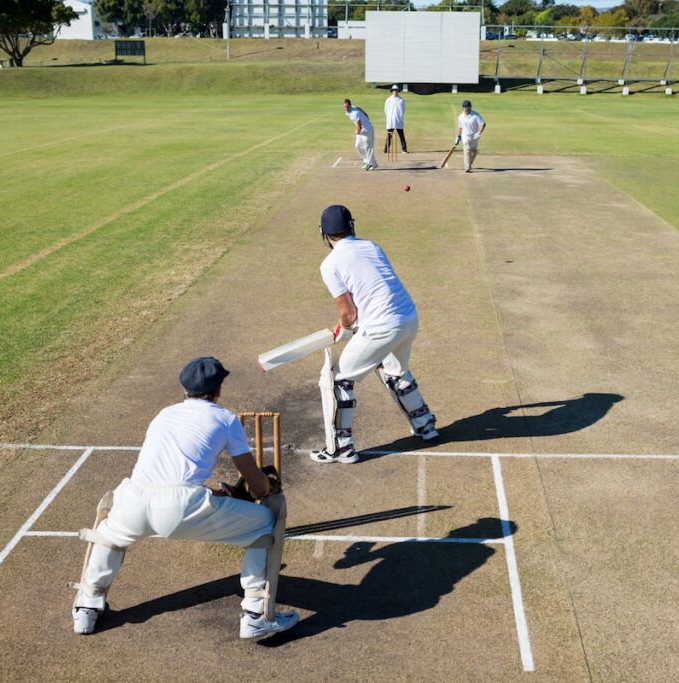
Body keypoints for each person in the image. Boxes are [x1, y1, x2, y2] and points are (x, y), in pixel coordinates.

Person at [69, 356, 299, 639]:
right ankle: (254, 614)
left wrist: (217, 494)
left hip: (133, 498)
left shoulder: (164, 414)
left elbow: (167, 477)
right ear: (219, 389)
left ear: (184, 389)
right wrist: (265, 488)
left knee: (108, 537)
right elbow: (256, 483)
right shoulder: (226, 419)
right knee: (265, 524)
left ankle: (86, 608)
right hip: (180, 508)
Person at [311, 205, 438, 464]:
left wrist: (344, 328)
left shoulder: (330, 264)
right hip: (408, 317)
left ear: (324, 234)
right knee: (393, 369)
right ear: (351, 226)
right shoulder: (372, 246)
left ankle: (340, 448)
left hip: (382, 325)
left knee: (337, 379)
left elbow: (348, 311)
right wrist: (353, 324)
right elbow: (375, 288)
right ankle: (425, 425)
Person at [342, 98, 378, 171]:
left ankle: (373, 164)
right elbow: (358, 108)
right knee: (357, 146)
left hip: (367, 130)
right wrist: (365, 114)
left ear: (350, 105)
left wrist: (357, 132)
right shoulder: (350, 109)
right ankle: (366, 160)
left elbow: (359, 125)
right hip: (362, 129)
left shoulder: (354, 114)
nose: (346, 108)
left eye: (347, 106)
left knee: (368, 147)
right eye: (345, 106)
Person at [455, 99, 486, 173]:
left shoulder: (475, 115)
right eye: (464, 107)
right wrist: (458, 136)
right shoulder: (460, 117)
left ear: (470, 107)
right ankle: (467, 167)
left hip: (475, 135)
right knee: (467, 149)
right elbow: (460, 127)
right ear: (463, 108)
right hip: (465, 135)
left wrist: (479, 133)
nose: (466, 108)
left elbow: (483, 124)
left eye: (467, 107)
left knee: (474, 151)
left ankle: (470, 162)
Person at [383, 85, 408, 154]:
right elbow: (386, 110)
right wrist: (389, 116)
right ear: (392, 91)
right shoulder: (388, 100)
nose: (395, 92)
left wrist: (398, 116)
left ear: (398, 91)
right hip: (390, 120)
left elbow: (403, 110)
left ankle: (404, 149)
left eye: (396, 91)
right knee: (389, 135)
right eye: (394, 91)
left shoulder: (401, 100)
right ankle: (386, 149)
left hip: (398, 120)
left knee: (401, 135)